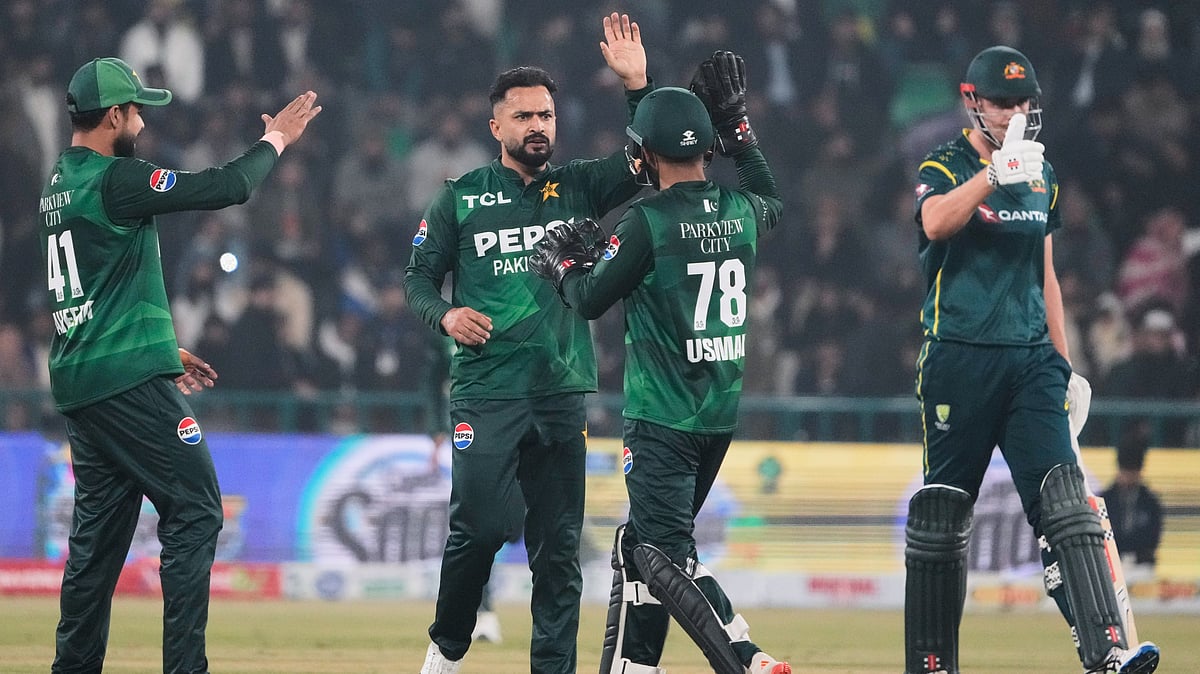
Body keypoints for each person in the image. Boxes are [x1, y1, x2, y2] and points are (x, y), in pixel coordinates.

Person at [40, 56, 320, 673]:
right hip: (126, 384)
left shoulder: (60, 182)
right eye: (137, 109)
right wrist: (276, 140)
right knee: (196, 507)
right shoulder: (117, 180)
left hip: (85, 383)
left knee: (97, 544)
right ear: (114, 115)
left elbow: (94, 292)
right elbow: (226, 187)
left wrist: (161, 347)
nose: (142, 119)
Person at [403, 13, 652, 674]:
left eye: (545, 115)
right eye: (523, 117)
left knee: (559, 549)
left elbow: (648, 161)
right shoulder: (459, 198)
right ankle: (449, 646)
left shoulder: (580, 186)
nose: (537, 126)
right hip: (486, 393)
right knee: (479, 529)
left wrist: (637, 89)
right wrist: (446, 317)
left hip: (561, 391)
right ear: (497, 128)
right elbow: (419, 279)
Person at [530, 54, 788, 674]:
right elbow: (770, 194)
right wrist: (742, 130)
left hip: (661, 417)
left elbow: (591, 298)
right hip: (717, 415)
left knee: (662, 555)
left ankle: (745, 657)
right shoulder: (739, 211)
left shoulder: (647, 222)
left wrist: (562, 266)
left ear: (643, 157)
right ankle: (633, 665)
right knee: (639, 543)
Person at [905, 45, 1159, 674]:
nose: (1017, 112)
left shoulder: (1043, 173)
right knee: (942, 522)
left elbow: (1046, 273)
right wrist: (992, 175)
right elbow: (934, 223)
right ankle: (932, 665)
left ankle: (1107, 653)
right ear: (974, 101)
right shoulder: (944, 163)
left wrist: (1066, 366)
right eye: (1003, 102)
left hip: (1030, 362)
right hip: (959, 359)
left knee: (1067, 503)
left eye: (1025, 102)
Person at [1100, 423, 1164, 570]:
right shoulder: (1105, 501)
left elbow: (1153, 538)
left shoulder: (1150, 502)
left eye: (1132, 472)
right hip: (1110, 565)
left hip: (1142, 566)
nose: (1128, 478)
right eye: (1125, 472)